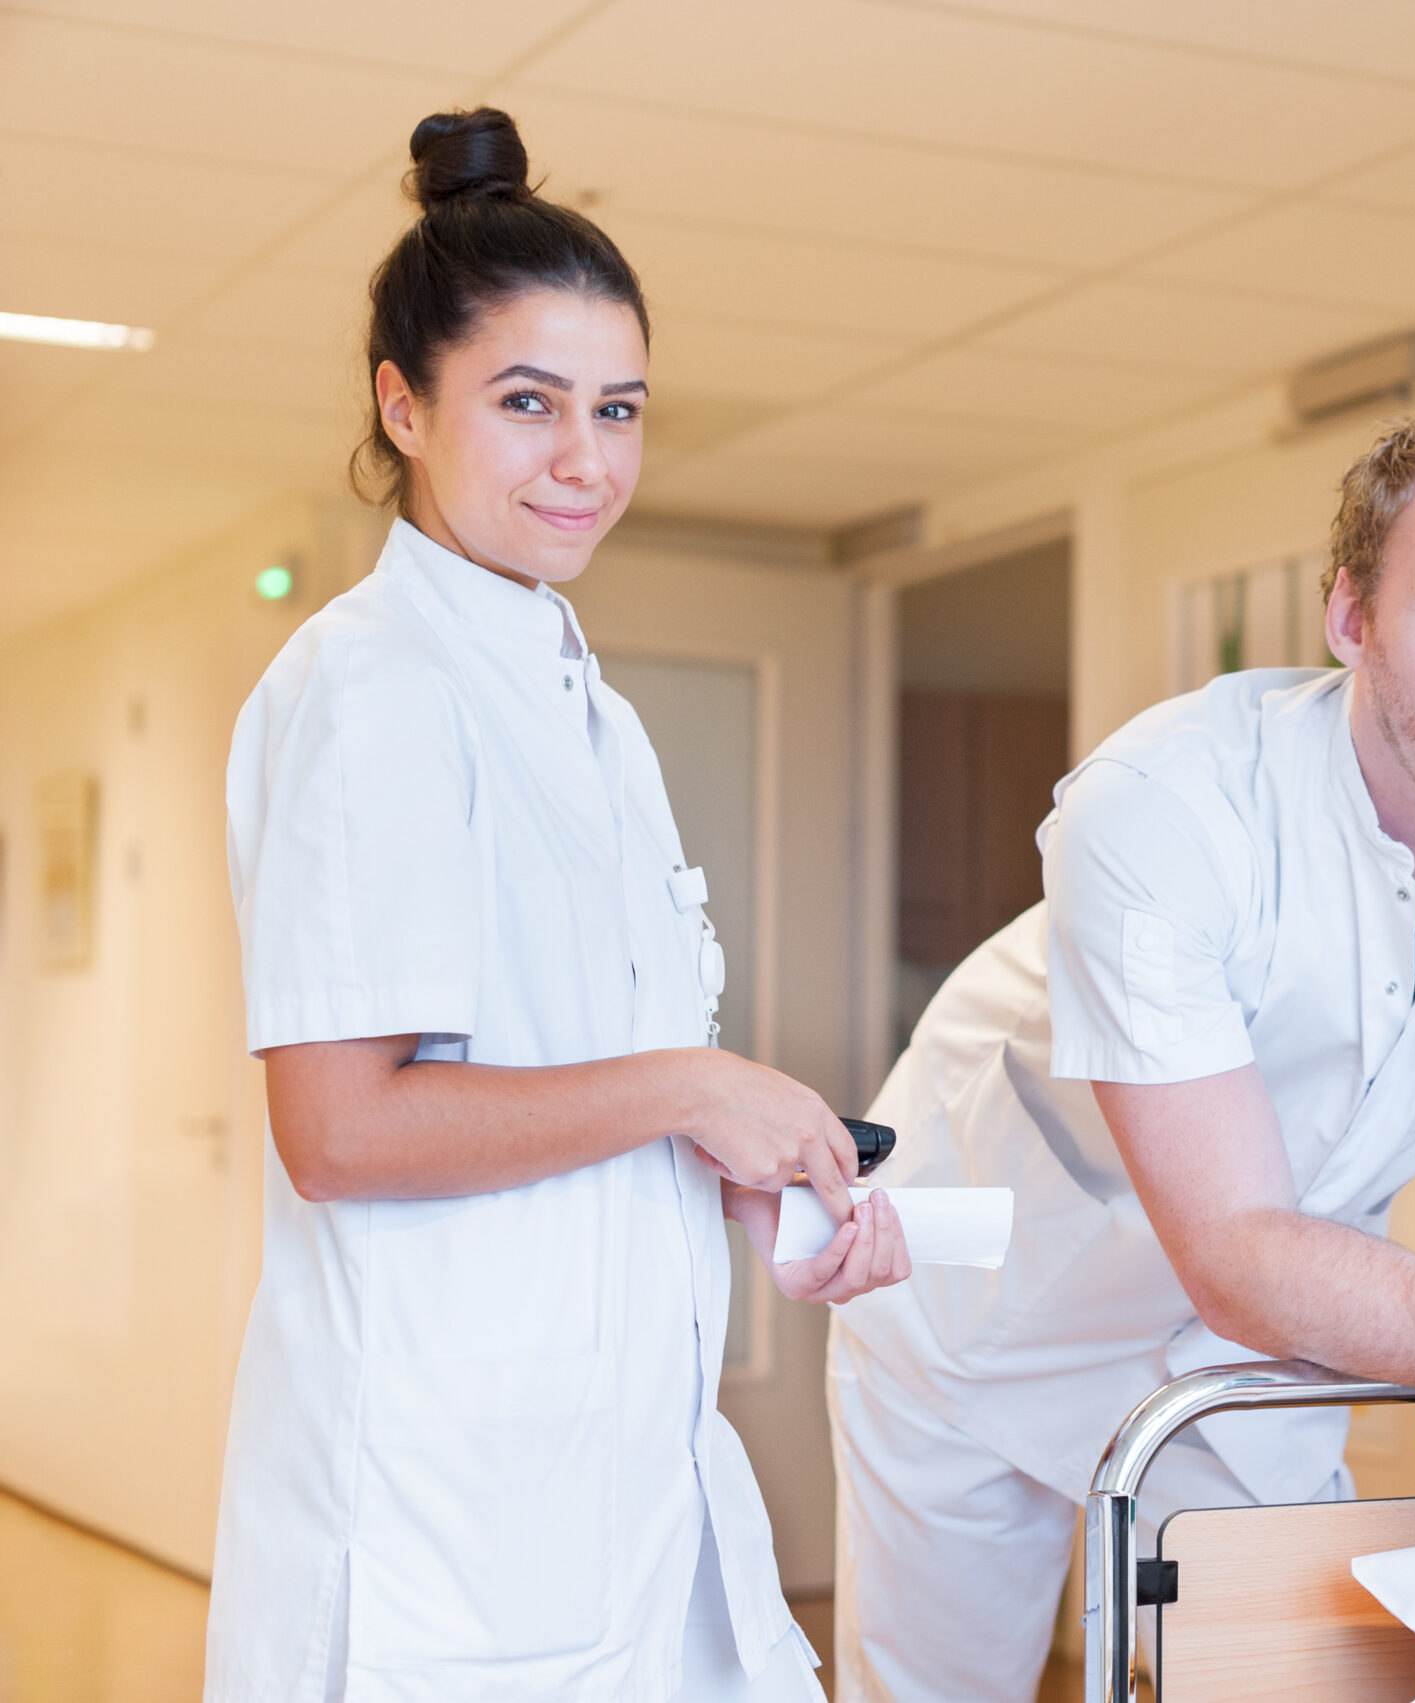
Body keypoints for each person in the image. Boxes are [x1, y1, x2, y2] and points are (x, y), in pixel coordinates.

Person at [826, 392, 1415, 1702]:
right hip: (980, 1312)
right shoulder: (1166, 807)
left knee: (1317, 1675)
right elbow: (1234, 1248)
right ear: (1351, 616)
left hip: (1261, 1337)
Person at [210, 108, 910, 1703]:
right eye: (527, 403)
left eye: (619, 408)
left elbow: (576, 1073)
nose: (585, 459)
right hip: (438, 1527)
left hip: (620, 1479)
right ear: (405, 403)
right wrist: (691, 1087)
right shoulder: (375, 684)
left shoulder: (583, 702)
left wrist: (753, 1187)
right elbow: (342, 1127)